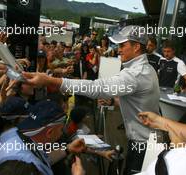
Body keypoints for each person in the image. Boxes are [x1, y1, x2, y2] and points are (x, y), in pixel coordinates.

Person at [22, 25, 160, 175]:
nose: (118, 49)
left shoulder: (136, 74)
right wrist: (114, 102)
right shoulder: (146, 69)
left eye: (122, 45)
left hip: (142, 145)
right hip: (145, 141)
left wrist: (51, 81)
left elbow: (96, 88)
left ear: (136, 47)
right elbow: (139, 102)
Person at [0, 100, 87, 175]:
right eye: (60, 130)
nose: (61, 133)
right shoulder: (26, 168)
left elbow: (42, 157)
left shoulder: (13, 133)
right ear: (49, 133)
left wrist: (67, 149)